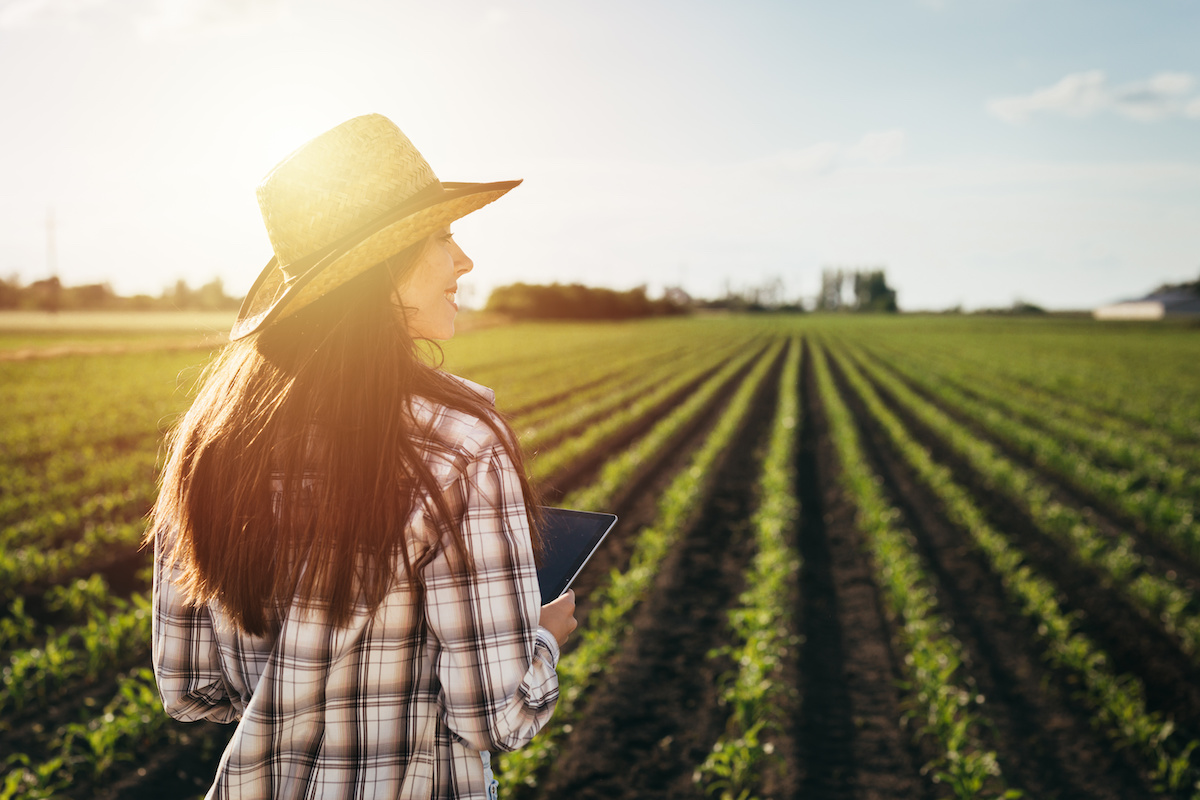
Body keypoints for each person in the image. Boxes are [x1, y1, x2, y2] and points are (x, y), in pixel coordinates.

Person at [148, 113, 576, 800]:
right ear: (383, 267)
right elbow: (497, 716)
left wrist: (301, 693)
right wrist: (546, 637)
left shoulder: (213, 444)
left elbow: (189, 687)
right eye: (441, 236)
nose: (463, 260)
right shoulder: (459, 443)